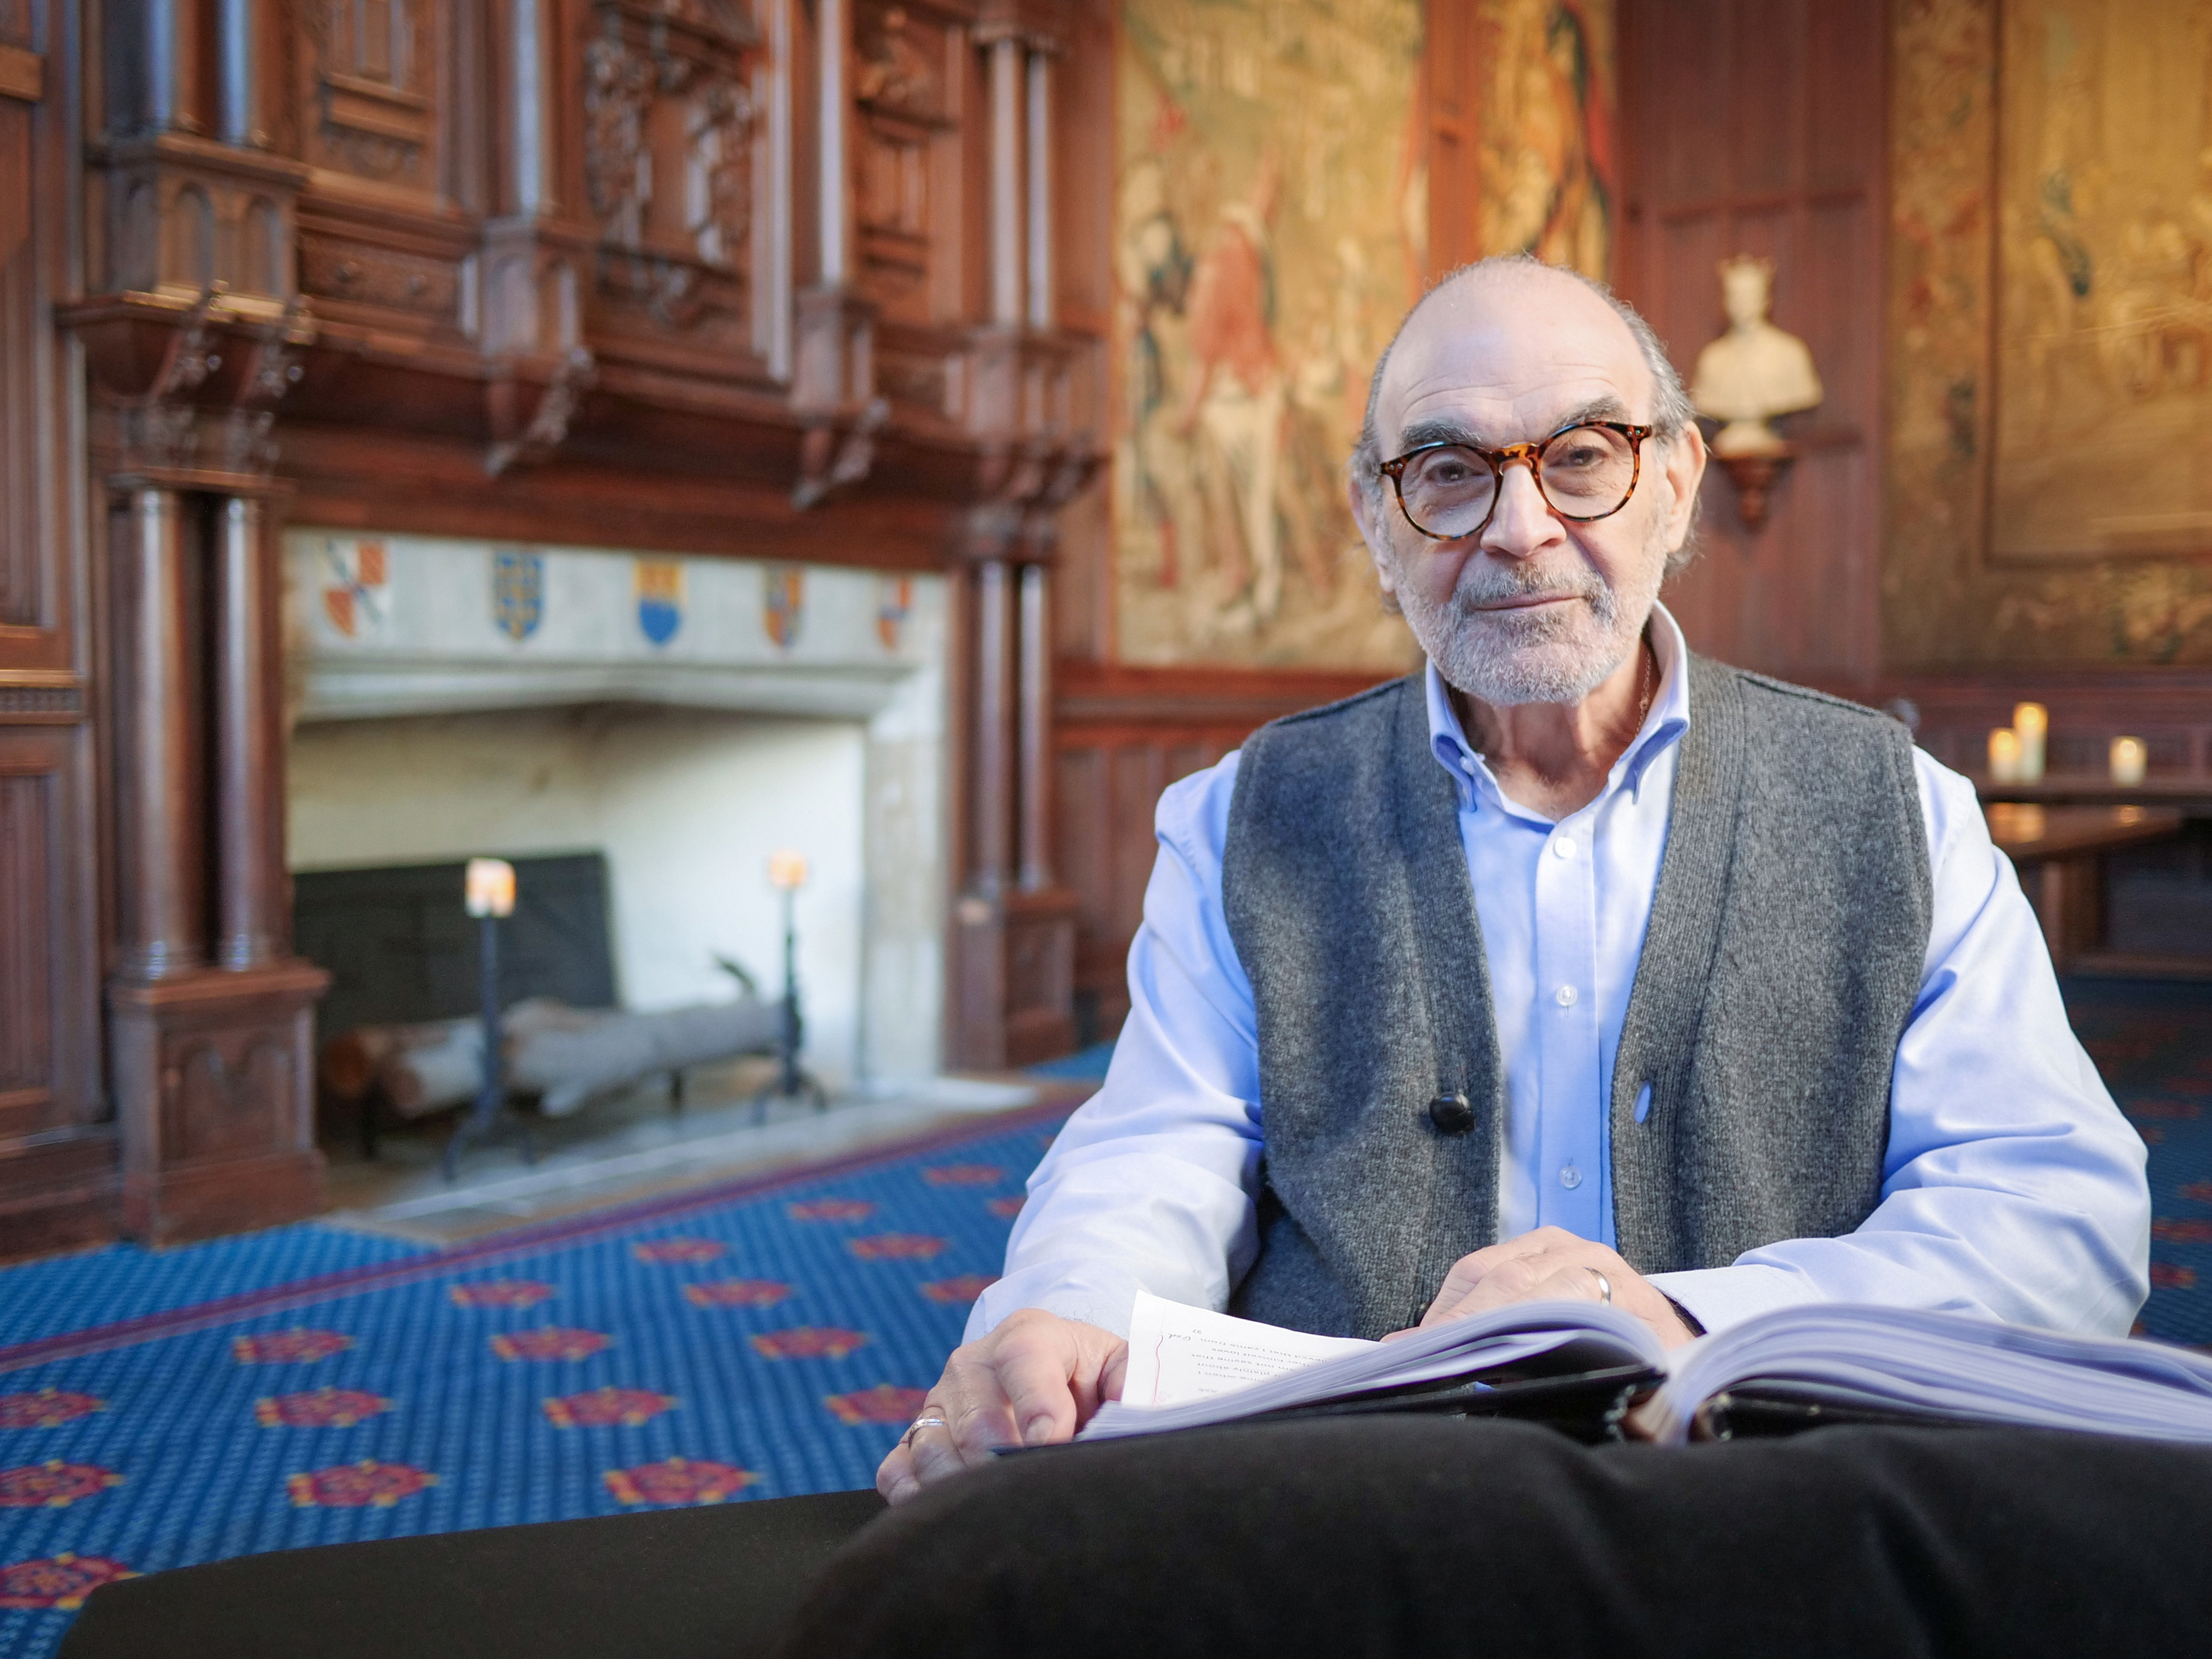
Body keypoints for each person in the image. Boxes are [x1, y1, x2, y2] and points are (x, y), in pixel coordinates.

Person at [878, 254, 2150, 1506]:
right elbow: (1159, 1146)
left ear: (1677, 482)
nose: (1520, 528)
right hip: (1359, 1513)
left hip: (1762, 1507)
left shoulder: (1897, 810)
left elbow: (2055, 1213)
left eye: (1584, 455)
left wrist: (1676, 1315)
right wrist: (1064, 1310)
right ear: (1377, 521)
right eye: (1448, 473)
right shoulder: (1237, 817)